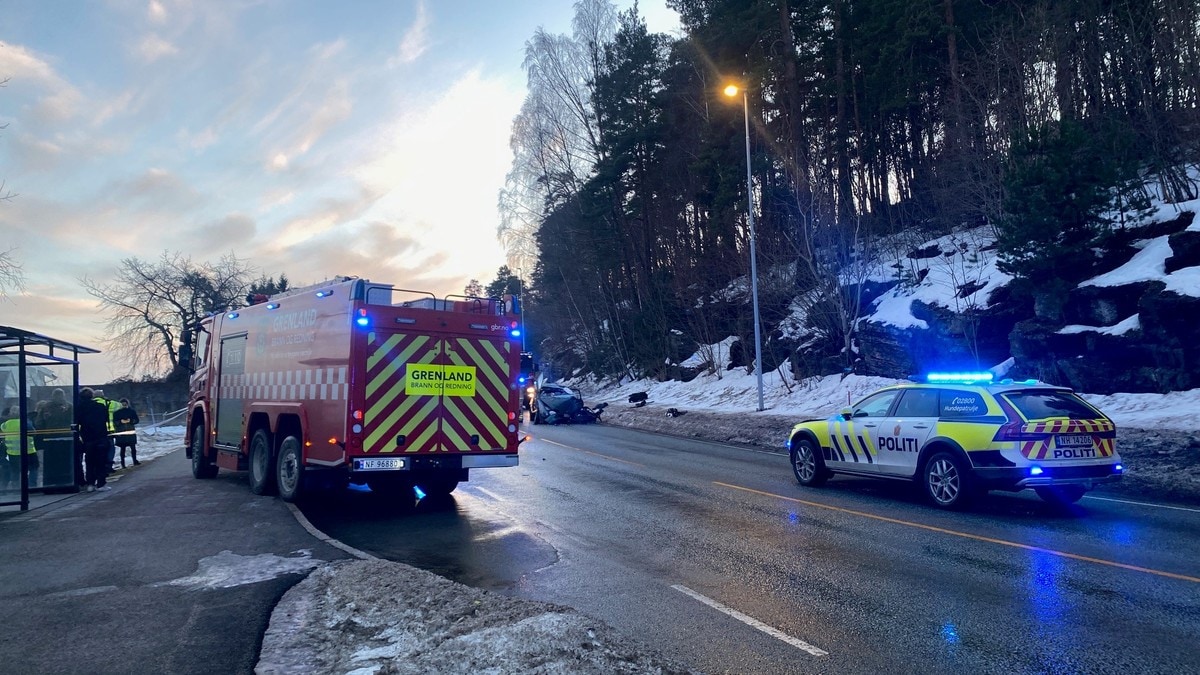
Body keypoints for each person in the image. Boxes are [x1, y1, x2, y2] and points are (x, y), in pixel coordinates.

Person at [76, 388, 112, 492]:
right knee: (101, 461)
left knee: (89, 461)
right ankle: (101, 484)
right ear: (92, 396)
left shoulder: (79, 408)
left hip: (87, 438)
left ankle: (90, 484)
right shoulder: (100, 406)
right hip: (101, 436)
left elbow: (77, 422)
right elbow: (105, 419)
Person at [1, 406, 40, 489]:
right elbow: (33, 433)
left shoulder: (5, 424)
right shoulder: (25, 422)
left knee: (15, 470)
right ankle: (32, 486)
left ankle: (15, 487)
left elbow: (2, 431)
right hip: (28, 451)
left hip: (12, 452)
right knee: (33, 467)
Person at [93, 389, 120, 473]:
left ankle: (100, 466)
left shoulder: (90, 404)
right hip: (109, 430)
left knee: (97, 449)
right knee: (110, 448)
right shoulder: (109, 403)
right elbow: (119, 405)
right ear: (102, 395)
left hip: (95, 431)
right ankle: (108, 465)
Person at [112, 398, 141, 468]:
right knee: (123, 449)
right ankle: (123, 463)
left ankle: (135, 460)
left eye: (125, 404)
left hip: (130, 430)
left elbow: (137, 420)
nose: (124, 405)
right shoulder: (117, 412)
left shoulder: (131, 411)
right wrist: (120, 422)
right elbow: (114, 422)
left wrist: (130, 421)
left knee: (133, 447)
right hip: (122, 432)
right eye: (123, 404)